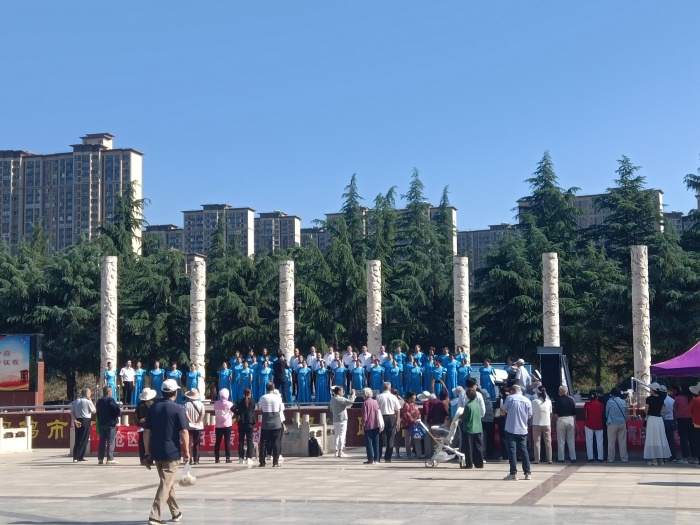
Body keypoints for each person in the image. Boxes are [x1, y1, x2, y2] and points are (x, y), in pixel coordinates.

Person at [143, 378, 189, 525]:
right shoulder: (177, 409)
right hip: (172, 452)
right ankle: (154, 516)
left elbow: (146, 431)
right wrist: (187, 451)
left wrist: (147, 452)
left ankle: (176, 512)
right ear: (175, 392)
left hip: (157, 451)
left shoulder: (153, 408)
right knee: (165, 483)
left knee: (167, 483)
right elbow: (184, 432)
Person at [501, 385, 533, 481]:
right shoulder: (527, 400)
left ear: (511, 391)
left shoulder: (510, 398)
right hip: (523, 429)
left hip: (511, 428)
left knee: (512, 451)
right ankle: (527, 473)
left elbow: (503, 411)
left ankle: (513, 473)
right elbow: (529, 416)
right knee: (524, 451)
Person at [644, 382, 671, 465]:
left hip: (651, 419)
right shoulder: (661, 399)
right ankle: (661, 459)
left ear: (653, 390)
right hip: (659, 420)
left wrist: (646, 416)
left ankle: (654, 459)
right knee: (660, 438)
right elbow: (663, 411)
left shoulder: (649, 399)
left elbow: (646, 410)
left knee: (651, 438)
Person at [259, 381, 284, 468]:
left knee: (263, 443)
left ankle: (262, 462)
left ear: (266, 388)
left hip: (266, 423)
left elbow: (260, 409)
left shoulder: (262, 398)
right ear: (273, 388)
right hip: (276, 422)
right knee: (276, 443)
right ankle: (275, 462)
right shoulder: (278, 398)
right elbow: (280, 409)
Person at [459, 388, 484, 469]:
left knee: (468, 447)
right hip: (478, 427)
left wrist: (460, 417)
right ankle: (479, 463)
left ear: (467, 396)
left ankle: (469, 463)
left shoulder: (468, 405)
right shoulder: (477, 405)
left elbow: (464, 417)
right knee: (478, 446)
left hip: (468, 428)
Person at [96, 385, 121, 465]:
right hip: (110, 423)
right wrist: (118, 414)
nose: (112, 393)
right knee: (110, 441)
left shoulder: (99, 401)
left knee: (102, 441)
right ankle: (110, 458)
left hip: (102, 423)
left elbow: (97, 412)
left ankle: (100, 458)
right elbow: (116, 409)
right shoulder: (110, 400)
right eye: (111, 391)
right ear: (108, 392)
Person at [377, 382, 401, 462]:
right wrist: (397, 420)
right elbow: (397, 410)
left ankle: (378, 457)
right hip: (391, 417)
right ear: (390, 388)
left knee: (380, 437)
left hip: (381, 417)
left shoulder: (379, 396)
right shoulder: (393, 397)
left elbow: (376, 409)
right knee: (390, 438)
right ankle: (388, 458)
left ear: (383, 388)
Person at [70, 387, 95, 462]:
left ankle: (76, 456)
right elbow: (94, 411)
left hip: (78, 420)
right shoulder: (87, 402)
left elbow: (71, 412)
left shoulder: (76, 401)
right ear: (87, 394)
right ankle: (79, 456)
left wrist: (75, 420)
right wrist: (91, 401)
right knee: (84, 439)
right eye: (90, 394)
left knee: (77, 439)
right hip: (85, 420)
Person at [330, 386, 356, 457]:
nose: (343, 392)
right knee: (342, 435)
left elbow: (331, 409)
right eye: (342, 391)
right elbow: (350, 402)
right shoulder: (341, 399)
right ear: (339, 392)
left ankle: (336, 451)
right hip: (342, 419)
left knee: (336, 435)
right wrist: (353, 394)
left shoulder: (332, 399)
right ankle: (340, 451)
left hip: (335, 419)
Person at [553, 386, 577, 462]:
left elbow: (555, 414)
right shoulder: (571, 400)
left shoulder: (557, 400)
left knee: (561, 440)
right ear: (567, 391)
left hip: (561, 419)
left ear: (559, 392)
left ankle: (561, 458)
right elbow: (574, 413)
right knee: (571, 440)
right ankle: (573, 457)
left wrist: (557, 421)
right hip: (570, 419)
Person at [605, 387, 628, 463]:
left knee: (611, 442)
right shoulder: (623, 402)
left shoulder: (609, 402)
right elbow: (625, 412)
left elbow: (606, 413)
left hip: (612, 424)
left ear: (612, 394)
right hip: (622, 423)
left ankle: (611, 458)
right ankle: (624, 458)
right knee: (622, 441)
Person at [234, 387, 256, 465]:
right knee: (249, 440)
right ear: (250, 394)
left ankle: (241, 458)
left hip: (242, 423)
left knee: (241, 441)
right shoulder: (252, 401)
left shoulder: (239, 401)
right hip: (250, 422)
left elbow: (232, 408)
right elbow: (253, 408)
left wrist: (238, 413)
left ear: (243, 394)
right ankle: (249, 458)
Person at [530, 387, 552, 464]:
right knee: (548, 442)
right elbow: (550, 413)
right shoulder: (549, 401)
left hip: (537, 423)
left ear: (538, 393)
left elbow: (531, 413)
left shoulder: (534, 402)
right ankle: (549, 459)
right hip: (547, 423)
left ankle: (537, 459)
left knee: (536, 441)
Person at [673, 385, 694, 463]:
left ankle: (685, 457)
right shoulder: (692, 398)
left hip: (681, 420)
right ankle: (695, 457)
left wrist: (675, 419)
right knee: (692, 439)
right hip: (691, 420)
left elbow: (674, 409)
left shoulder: (678, 398)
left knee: (683, 439)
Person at [184, 388, 204, 465]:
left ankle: (189, 459)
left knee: (188, 443)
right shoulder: (201, 404)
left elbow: (186, 414)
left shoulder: (187, 404)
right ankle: (196, 459)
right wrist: (197, 422)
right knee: (197, 443)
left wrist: (191, 421)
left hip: (189, 426)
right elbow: (202, 414)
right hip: (198, 427)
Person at [135, 388, 156, 464]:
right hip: (151, 427)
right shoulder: (152, 404)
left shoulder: (139, 404)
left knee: (142, 444)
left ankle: (143, 459)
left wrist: (139, 421)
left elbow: (136, 415)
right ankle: (150, 459)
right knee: (150, 443)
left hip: (141, 426)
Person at [213, 388, 233, 463]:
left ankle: (217, 458)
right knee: (227, 441)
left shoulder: (216, 403)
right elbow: (232, 413)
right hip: (227, 425)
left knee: (218, 442)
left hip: (218, 426)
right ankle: (227, 457)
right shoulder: (229, 404)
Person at [584, 390, 604, 462]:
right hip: (599, 424)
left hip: (588, 424)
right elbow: (602, 414)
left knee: (589, 441)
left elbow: (585, 415)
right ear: (597, 397)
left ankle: (590, 457)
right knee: (600, 441)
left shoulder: (587, 405)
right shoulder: (601, 405)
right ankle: (600, 457)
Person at [362, 388, 381, 464]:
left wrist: (363, 425)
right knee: (376, 442)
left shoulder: (365, 403)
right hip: (376, 424)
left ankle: (370, 459)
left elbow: (365, 416)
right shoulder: (375, 402)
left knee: (369, 443)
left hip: (368, 425)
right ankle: (377, 459)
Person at [401, 391, 422, 459]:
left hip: (415, 424)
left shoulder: (415, 405)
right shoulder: (406, 405)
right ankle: (409, 454)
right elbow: (406, 414)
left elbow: (418, 413)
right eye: (413, 398)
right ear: (409, 398)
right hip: (408, 425)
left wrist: (419, 418)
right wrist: (413, 420)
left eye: (415, 398)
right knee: (408, 441)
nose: (414, 399)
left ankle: (419, 454)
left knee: (417, 439)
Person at [660, 385, 676, 462]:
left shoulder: (659, 400)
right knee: (671, 440)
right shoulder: (672, 400)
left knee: (662, 440)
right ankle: (673, 456)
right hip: (670, 421)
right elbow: (674, 411)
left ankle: (664, 457)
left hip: (662, 421)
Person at [480, 387, 496, 460]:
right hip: (491, 421)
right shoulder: (490, 402)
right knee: (490, 438)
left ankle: (484, 452)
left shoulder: (481, 403)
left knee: (483, 438)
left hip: (483, 421)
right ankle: (491, 452)